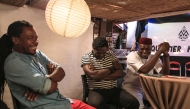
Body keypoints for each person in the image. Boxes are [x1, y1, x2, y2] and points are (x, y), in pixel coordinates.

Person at [0, 20, 95, 109]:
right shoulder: (14, 63)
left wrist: (46, 80)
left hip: (63, 102)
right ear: (15, 40)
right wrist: (49, 82)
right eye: (30, 38)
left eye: (36, 38)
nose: (35, 42)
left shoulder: (37, 54)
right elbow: (50, 87)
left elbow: (61, 71)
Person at [81, 37, 140, 109]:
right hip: (96, 90)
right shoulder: (86, 57)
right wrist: (110, 69)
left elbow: (120, 73)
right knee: (95, 105)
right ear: (93, 48)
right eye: (98, 53)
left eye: (104, 52)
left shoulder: (111, 55)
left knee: (134, 103)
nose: (102, 55)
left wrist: (99, 76)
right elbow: (92, 75)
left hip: (112, 89)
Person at [122, 37, 170, 109]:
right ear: (138, 47)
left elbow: (165, 73)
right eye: (142, 48)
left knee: (163, 103)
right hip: (131, 87)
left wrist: (166, 55)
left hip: (146, 87)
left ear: (151, 48)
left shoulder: (153, 56)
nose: (144, 51)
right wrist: (159, 52)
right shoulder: (132, 55)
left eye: (148, 49)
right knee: (140, 107)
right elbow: (143, 70)